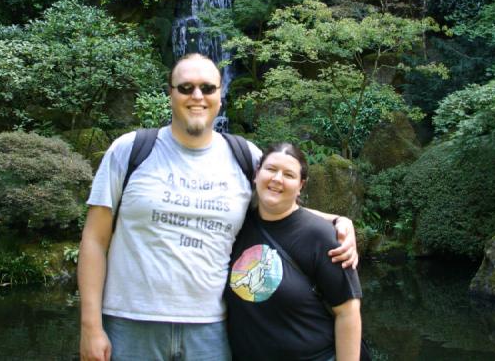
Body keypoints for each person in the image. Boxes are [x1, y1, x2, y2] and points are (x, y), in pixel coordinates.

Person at [79, 53, 358, 361]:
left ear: (220, 96)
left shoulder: (244, 157)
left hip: (212, 329)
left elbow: (279, 204)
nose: (197, 96)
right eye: (185, 87)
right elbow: (94, 240)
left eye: (207, 88)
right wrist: (90, 326)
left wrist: (339, 221)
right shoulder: (129, 150)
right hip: (130, 323)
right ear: (170, 93)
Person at [225, 143, 362, 361]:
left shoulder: (321, 236)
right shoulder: (237, 224)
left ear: (301, 186)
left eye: (288, 174)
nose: (277, 179)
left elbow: (348, 313)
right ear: (256, 174)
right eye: (270, 169)